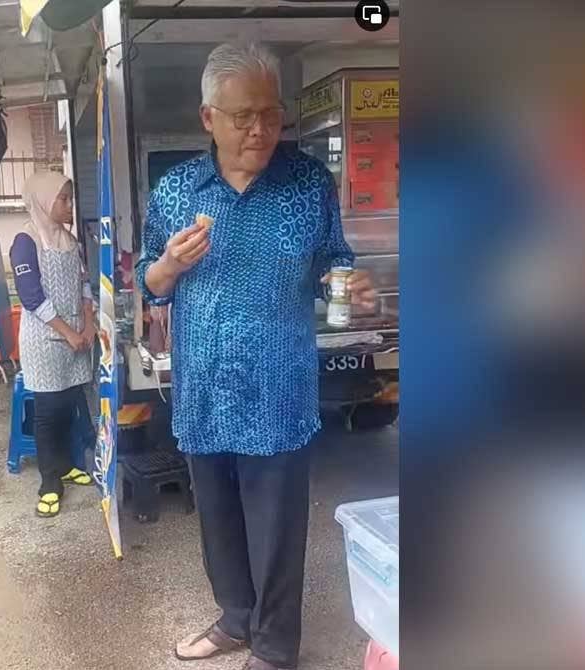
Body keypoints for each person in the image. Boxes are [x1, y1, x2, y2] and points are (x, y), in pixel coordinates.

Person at [136, 43, 377, 670]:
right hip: (203, 393)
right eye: (244, 115)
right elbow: (146, 281)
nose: (261, 129)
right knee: (218, 525)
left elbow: (336, 261)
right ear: (208, 117)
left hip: (279, 392)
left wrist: (350, 283)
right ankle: (235, 620)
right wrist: (167, 265)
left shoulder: (307, 185)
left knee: (276, 534)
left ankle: (274, 649)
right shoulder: (176, 191)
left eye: (271, 114)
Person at [10, 171, 96, 518]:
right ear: (45, 201)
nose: (69, 206)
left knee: (70, 406)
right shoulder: (25, 242)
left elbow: (85, 285)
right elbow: (32, 297)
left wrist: (88, 326)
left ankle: (66, 465)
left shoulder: (69, 241)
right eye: (64, 199)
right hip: (45, 341)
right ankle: (49, 484)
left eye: (70, 198)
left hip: (75, 339)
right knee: (47, 414)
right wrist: (68, 332)